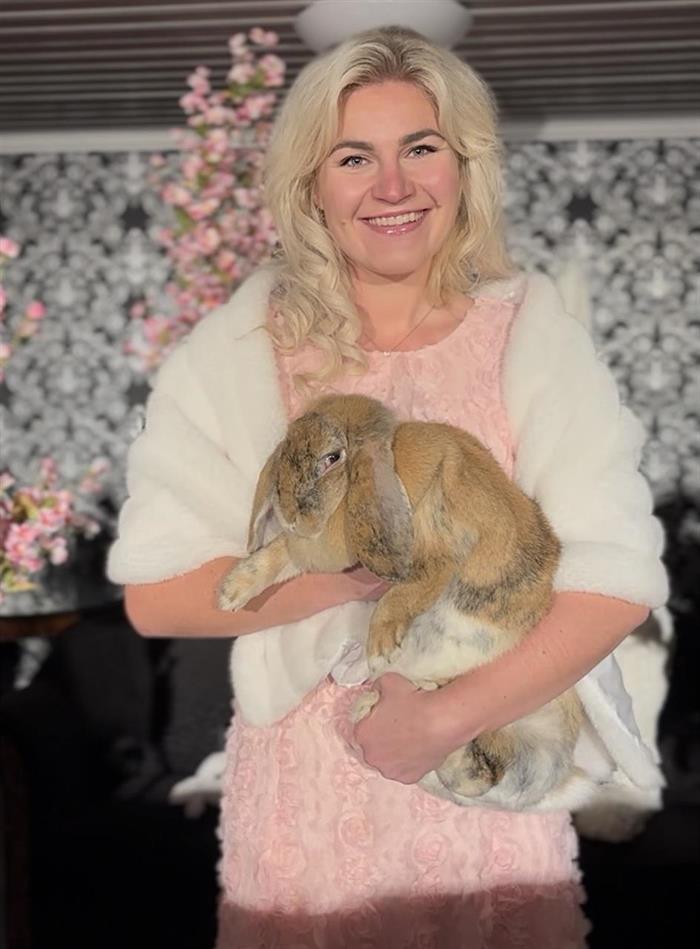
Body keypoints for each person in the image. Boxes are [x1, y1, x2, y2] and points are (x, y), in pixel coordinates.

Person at [108, 26, 668, 948]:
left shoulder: (533, 337)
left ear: (464, 167)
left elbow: (615, 581)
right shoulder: (239, 352)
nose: (394, 186)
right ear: (311, 188)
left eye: (421, 148)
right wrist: (347, 579)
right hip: (305, 802)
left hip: (484, 768)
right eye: (354, 157)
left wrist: (443, 718)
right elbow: (156, 593)